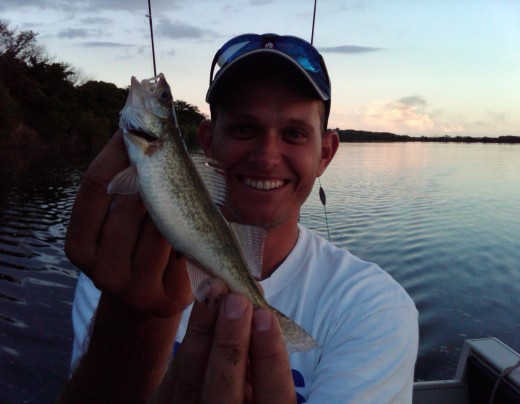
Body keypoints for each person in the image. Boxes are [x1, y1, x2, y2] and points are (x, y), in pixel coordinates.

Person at [59, 33, 419, 403]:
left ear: (325, 154)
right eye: (244, 129)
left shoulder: (373, 308)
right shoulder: (120, 266)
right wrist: (132, 320)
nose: (266, 157)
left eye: (293, 133)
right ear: (208, 142)